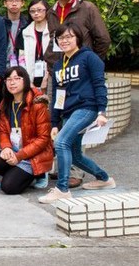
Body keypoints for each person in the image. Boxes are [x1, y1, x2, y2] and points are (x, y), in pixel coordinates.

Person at [39, 23, 114, 203]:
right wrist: (55, 123)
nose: (64, 41)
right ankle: (104, 179)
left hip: (87, 108)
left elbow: (99, 85)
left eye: (69, 37)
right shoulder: (58, 65)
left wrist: (102, 111)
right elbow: (57, 96)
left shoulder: (89, 58)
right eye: (61, 38)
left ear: (77, 39)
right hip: (68, 112)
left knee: (62, 143)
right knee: (75, 154)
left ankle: (62, 189)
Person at [0, 67, 52, 195]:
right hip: (16, 151)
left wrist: (19, 156)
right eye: (9, 79)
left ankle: (38, 174)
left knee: (8, 187)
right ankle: (17, 175)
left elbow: (43, 139)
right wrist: (6, 148)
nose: (12, 82)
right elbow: (3, 131)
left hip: (33, 155)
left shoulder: (37, 103)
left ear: (25, 81)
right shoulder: (6, 103)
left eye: (17, 78)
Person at [46, 0, 110, 64]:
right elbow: (53, 40)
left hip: (81, 71)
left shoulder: (87, 8)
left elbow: (103, 40)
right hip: (57, 70)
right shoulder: (51, 12)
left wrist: (91, 63)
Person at [17, 0, 51, 90]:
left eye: (40, 10)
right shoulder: (25, 32)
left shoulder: (53, 31)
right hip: (29, 81)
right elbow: (21, 59)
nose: (36, 13)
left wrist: (48, 77)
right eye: (32, 11)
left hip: (50, 78)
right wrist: (28, 81)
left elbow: (56, 57)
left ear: (47, 10)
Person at [3, 0, 28, 69]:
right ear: (5, 3)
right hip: (3, 68)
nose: (14, 3)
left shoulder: (28, 24)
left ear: (23, 3)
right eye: (10, 0)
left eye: (17, 0)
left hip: (23, 67)